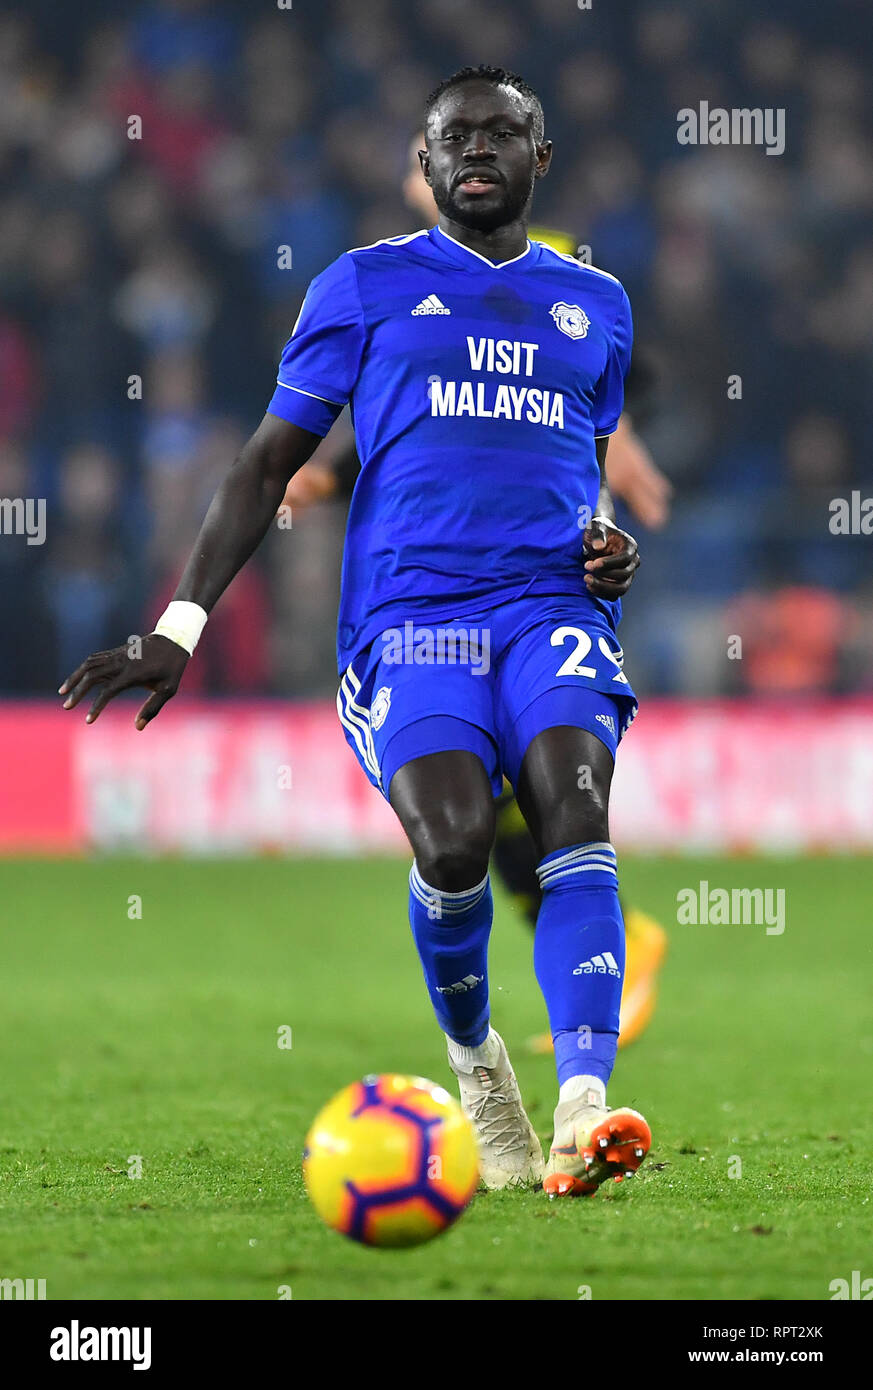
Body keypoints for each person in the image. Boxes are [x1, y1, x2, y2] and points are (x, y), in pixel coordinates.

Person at [61, 65, 650, 1197]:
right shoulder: (365, 286)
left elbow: (585, 474)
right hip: (409, 621)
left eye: (502, 134)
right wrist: (178, 628)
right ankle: (478, 1063)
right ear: (425, 169)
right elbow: (265, 463)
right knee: (455, 844)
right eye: (454, 138)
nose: (477, 151)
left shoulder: (599, 305)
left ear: (542, 159)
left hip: (548, 610)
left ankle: (584, 1102)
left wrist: (613, 543)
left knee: (575, 802)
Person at [284, 131, 670, 1054]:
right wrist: (330, 473)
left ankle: (596, 970)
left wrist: (619, 459)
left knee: (524, 793)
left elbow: (572, 383)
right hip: (442, 596)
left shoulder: (562, 267)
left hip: (534, 564)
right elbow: (424, 389)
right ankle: (541, 979)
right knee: (477, 813)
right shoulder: (400, 278)